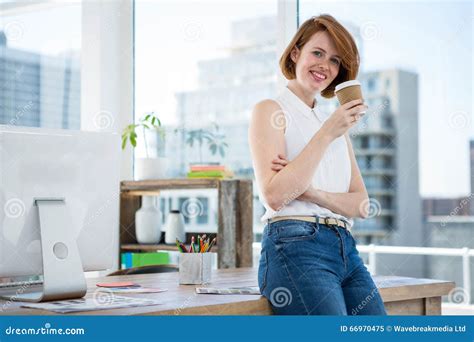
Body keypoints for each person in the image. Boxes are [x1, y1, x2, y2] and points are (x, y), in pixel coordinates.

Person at [248, 14, 387, 315]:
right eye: (318, 53)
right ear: (295, 52)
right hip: (295, 245)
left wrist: (311, 193)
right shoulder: (271, 110)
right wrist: (327, 134)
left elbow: (361, 204)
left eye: (335, 61)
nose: (325, 66)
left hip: (345, 249)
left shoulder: (333, 123)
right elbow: (275, 196)